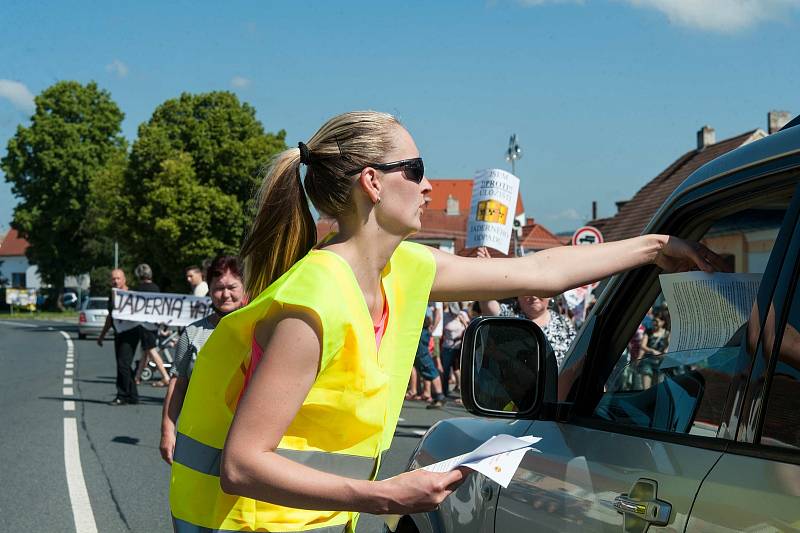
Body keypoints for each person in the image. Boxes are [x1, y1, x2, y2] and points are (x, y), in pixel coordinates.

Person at [169, 110, 725, 532]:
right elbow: (241, 466)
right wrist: (387, 496)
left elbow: (543, 271)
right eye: (416, 170)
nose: (429, 186)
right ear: (373, 183)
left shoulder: (407, 267)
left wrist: (654, 248)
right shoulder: (311, 304)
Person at [160, 255, 245, 464]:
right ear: (209, 290)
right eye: (218, 288)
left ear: (245, 287)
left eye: (232, 287)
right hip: (199, 441)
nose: (225, 294)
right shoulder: (192, 333)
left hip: (244, 442)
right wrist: (167, 431)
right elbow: (177, 385)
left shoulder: (258, 329)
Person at [97, 269, 140, 406]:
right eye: (113, 279)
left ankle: (122, 395)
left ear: (124, 279)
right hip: (119, 333)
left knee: (123, 364)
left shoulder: (131, 295)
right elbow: (110, 317)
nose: (115, 281)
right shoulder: (113, 294)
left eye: (118, 278)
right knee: (125, 365)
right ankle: (133, 395)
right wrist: (102, 336)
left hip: (131, 332)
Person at [131, 263, 171, 387]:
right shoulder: (155, 288)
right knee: (145, 351)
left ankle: (165, 376)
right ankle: (137, 377)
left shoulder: (139, 289)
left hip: (144, 324)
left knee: (151, 350)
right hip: (154, 324)